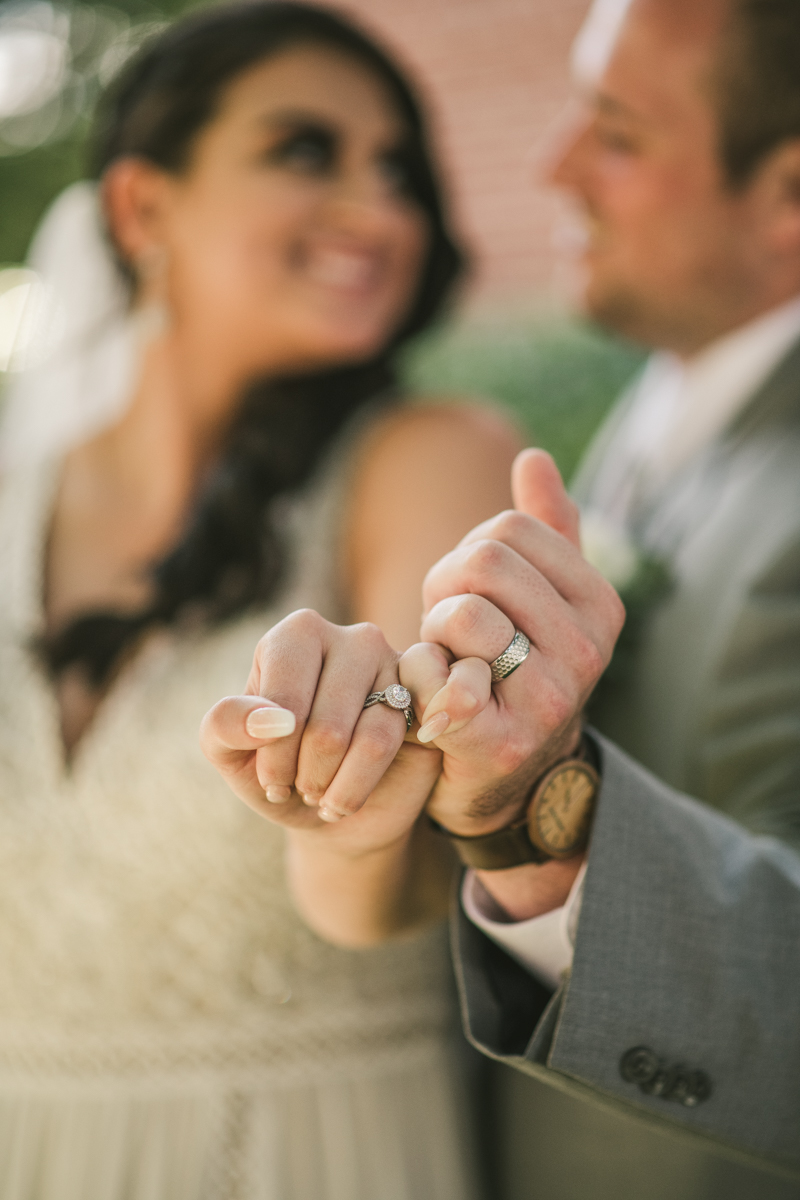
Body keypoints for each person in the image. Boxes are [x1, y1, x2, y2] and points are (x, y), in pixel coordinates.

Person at [201, 0, 800, 1195]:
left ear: (786, 191)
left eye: (615, 134)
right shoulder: (662, 404)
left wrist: (546, 819)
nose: (551, 166)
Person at [0, 3, 520, 1196]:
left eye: (398, 172)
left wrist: (352, 819)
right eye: (304, 150)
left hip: (303, 1157)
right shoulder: (10, 499)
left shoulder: (431, 460)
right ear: (143, 209)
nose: (379, 210)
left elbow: (398, 891)